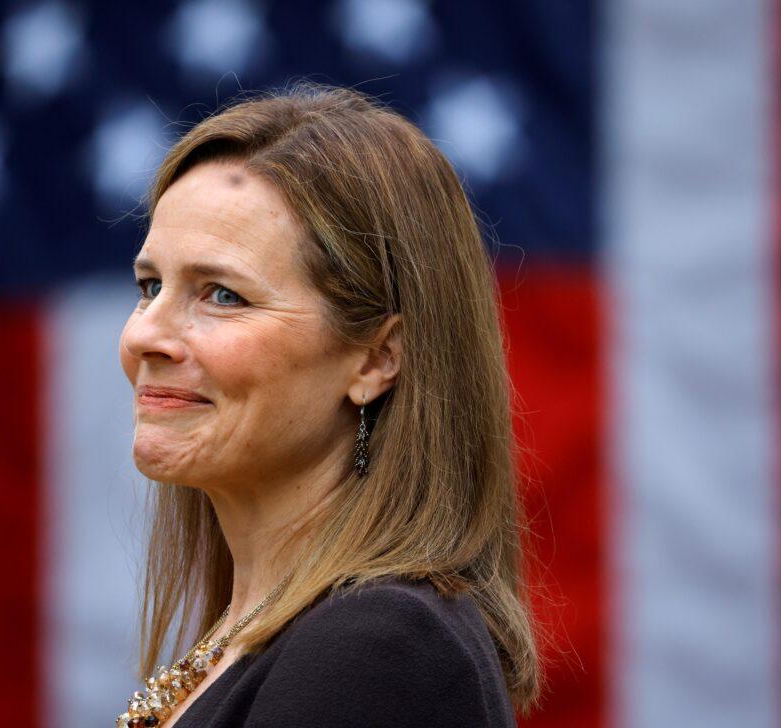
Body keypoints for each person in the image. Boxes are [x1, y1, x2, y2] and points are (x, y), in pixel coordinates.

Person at [116, 83, 540, 728]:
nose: (144, 334)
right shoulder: (273, 633)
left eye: (222, 295)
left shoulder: (380, 651)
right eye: (151, 286)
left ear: (375, 359)